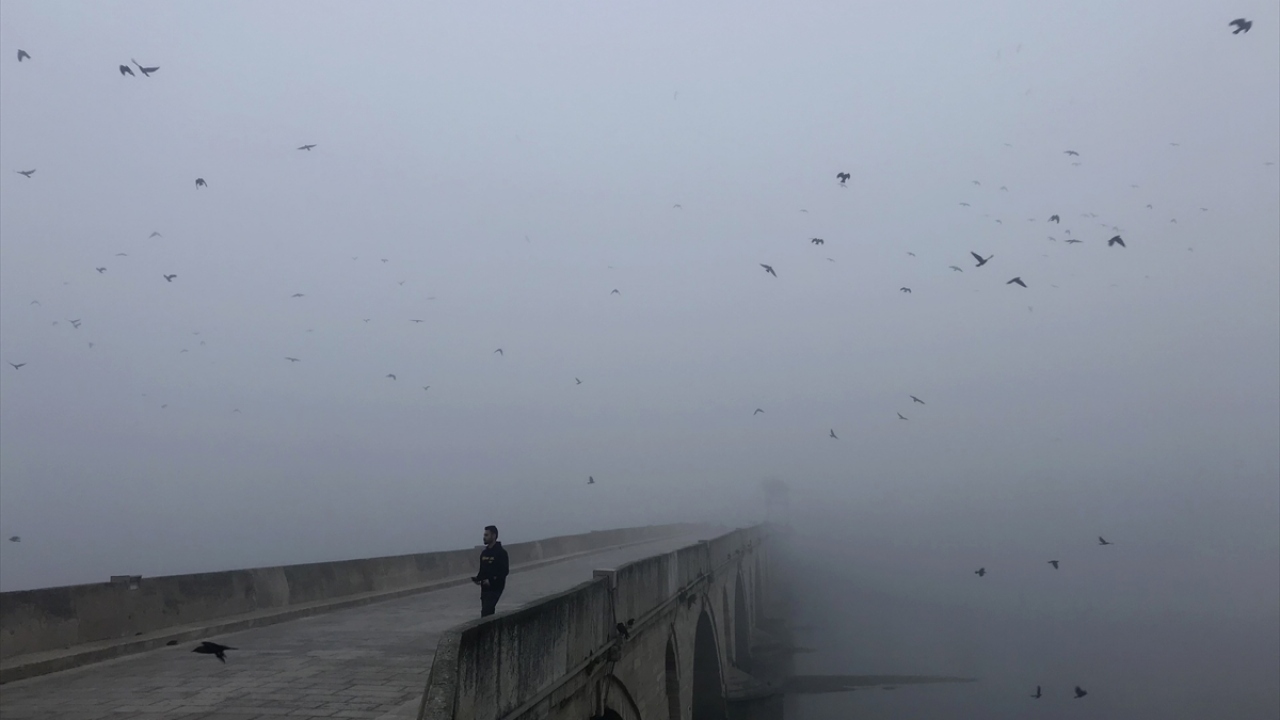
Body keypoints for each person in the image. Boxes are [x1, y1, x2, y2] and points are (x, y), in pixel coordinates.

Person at [472, 525, 509, 617]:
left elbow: (504, 571)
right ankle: (491, 630)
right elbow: (482, 570)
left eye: (486, 535)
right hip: (485, 588)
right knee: (488, 613)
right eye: (484, 535)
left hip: (495, 587)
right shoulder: (484, 553)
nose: (484, 537)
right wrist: (478, 578)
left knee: (486, 612)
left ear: (493, 536)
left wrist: (491, 580)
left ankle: (484, 630)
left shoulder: (501, 553)